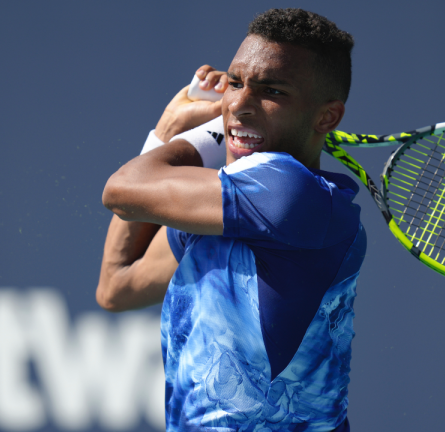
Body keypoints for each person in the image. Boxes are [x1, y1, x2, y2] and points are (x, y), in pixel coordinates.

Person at [97, 8, 366, 431]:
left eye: (271, 91)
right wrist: (193, 132)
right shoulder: (235, 208)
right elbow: (117, 285)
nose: (238, 103)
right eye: (236, 83)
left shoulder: (289, 194)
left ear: (327, 117)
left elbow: (122, 188)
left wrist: (193, 129)